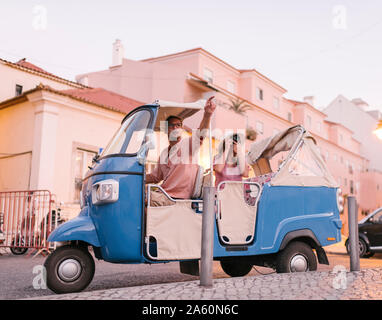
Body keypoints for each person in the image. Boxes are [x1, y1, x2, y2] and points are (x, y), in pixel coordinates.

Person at [146, 96, 216, 206]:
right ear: (165, 129)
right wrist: (137, 177)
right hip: (164, 194)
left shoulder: (187, 145)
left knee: (141, 201)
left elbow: (200, 134)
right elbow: (155, 177)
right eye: (171, 126)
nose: (175, 128)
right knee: (137, 196)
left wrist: (207, 115)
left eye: (178, 125)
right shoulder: (164, 153)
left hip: (176, 198)